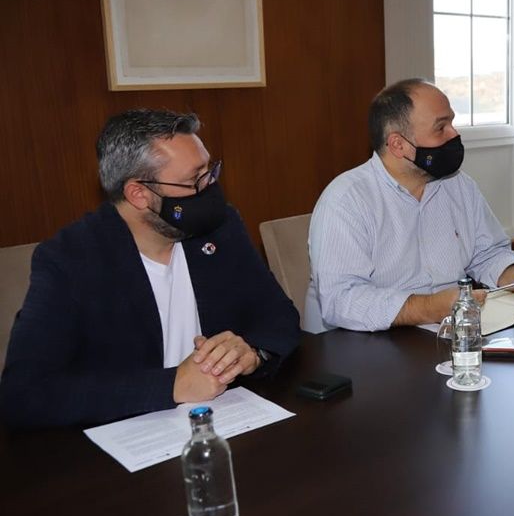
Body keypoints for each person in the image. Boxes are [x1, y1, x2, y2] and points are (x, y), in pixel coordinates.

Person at [0, 110, 300, 429]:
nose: (210, 187)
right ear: (139, 194)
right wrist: (170, 386)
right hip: (120, 451)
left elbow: (279, 314)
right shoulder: (70, 260)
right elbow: (24, 393)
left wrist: (252, 352)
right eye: (193, 180)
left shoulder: (220, 229)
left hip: (226, 422)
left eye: (209, 171)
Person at [305, 78, 514, 332]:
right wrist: (428, 307)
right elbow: (342, 299)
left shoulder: (458, 185)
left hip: (439, 333)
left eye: (452, 122)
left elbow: (488, 252)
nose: (454, 134)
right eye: (441, 127)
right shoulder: (346, 201)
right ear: (398, 145)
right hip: (357, 343)